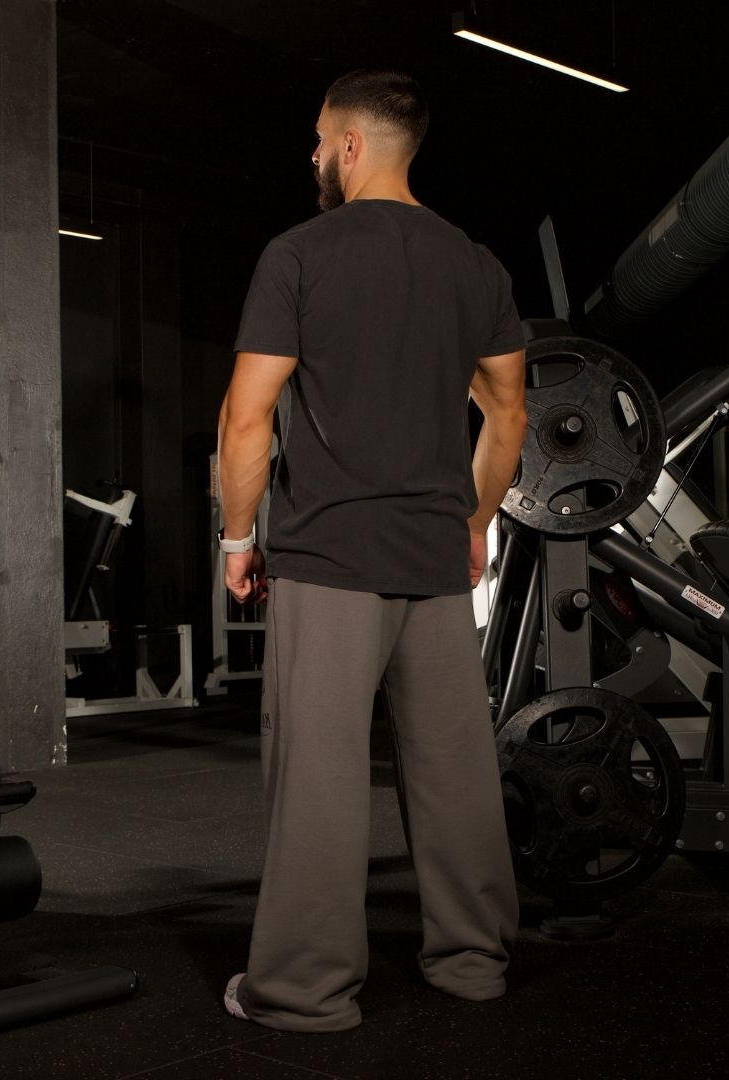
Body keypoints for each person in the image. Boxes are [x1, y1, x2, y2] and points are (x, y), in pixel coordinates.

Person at [217, 69, 527, 1033]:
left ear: (351, 147)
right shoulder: (476, 265)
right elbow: (509, 415)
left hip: (330, 562)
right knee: (456, 776)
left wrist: (238, 536)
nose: (312, 155)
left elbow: (246, 417)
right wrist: (474, 523)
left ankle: (303, 992)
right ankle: (473, 963)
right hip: (434, 563)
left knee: (318, 777)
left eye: (318, 139)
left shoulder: (298, 255)